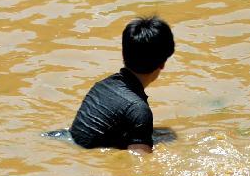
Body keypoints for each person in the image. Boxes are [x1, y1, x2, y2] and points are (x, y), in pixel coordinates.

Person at [69, 16, 174, 154]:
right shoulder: (138, 110)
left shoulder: (101, 86)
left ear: (124, 53)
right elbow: (139, 165)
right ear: (162, 64)